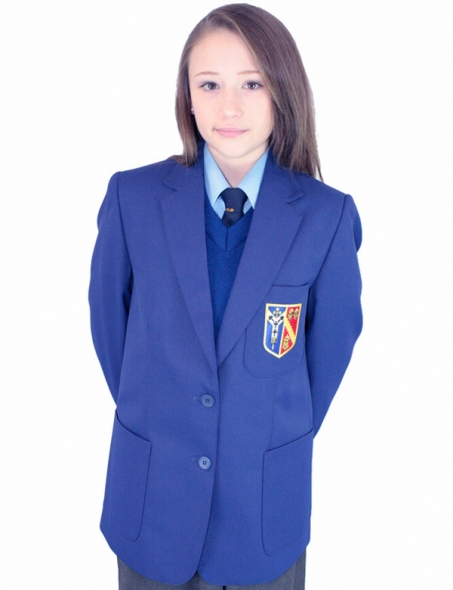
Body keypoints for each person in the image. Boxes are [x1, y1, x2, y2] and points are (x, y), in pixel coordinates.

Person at [89, 4, 363, 589]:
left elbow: (328, 355)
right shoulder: (133, 199)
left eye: (252, 84)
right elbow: (111, 332)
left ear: (283, 92)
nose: (229, 107)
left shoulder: (326, 216)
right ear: (187, 96)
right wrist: (162, 409)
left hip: (263, 509)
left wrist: (259, 425)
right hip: (152, 502)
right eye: (209, 85)